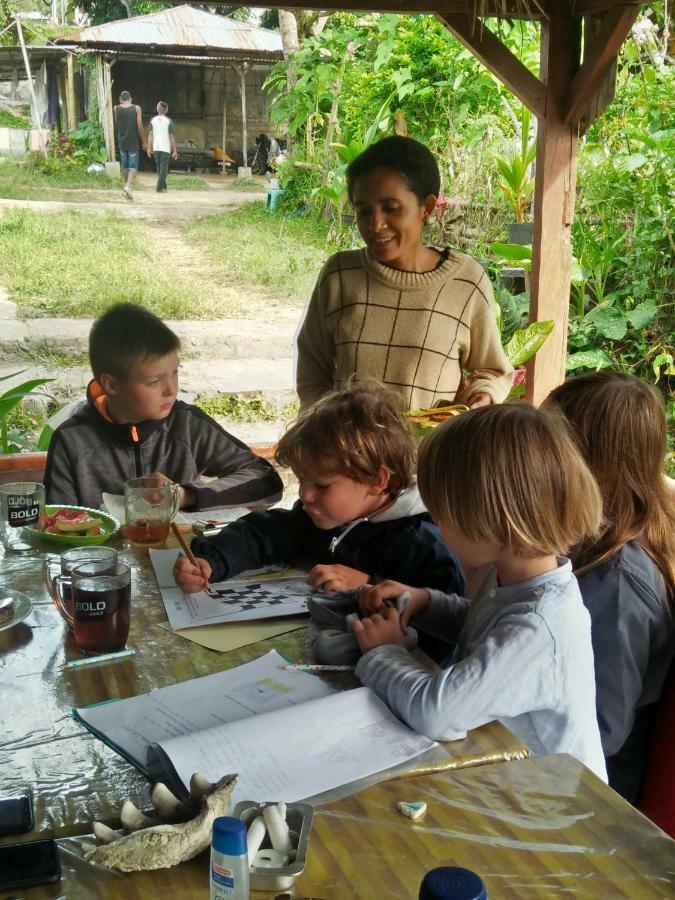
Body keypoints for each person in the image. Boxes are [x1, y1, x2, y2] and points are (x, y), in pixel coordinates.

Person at [351, 403, 607, 780]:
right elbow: (484, 624)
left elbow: (435, 713)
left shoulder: (541, 625)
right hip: (507, 773)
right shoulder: (511, 575)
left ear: (489, 520)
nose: (435, 523)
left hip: (553, 808)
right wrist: (425, 603)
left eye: (442, 512)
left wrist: (382, 652)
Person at [173, 386, 466, 606]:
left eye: (322, 485)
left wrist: (369, 586)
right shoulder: (324, 515)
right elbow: (270, 531)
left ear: (377, 481)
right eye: (302, 480)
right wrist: (211, 561)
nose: (305, 495)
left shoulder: (425, 546)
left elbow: (447, 622)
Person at [295, 136, 513, 413]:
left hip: (430, 454)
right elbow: (312, 369)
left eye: (391, 209)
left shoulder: (465, 282)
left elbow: (492, 370)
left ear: (428, 208)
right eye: (364, 211)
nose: (375, 224)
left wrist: (482, 396)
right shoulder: (340, 275)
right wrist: (323, 427)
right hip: (349, 453)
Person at [546, 372, 675, 802]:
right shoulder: (591, 544)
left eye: (546, 449)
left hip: (594, 796)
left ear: (589, 465)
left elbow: (598, 733)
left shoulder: (616, 581)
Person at [44, 303, 283, 511]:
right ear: (111, 385)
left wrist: (186, 495)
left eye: (175, 372)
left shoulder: (186, 425)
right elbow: (57, 525)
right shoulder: (72, 441)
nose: (171, 389)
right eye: (155, 381)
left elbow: (266, 481)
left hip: (183, 559)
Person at [114, 90, 146, 200]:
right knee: (133, 167)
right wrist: (144, 142)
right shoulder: (137, 108)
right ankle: (127, 186)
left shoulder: (116, 108)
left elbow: (117, 121)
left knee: (125, 166)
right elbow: (140, 126)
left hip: (122, 140)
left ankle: (127, 188)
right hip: (133, 141)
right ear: (131, 99)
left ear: (120, 100)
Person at [147, 101, 178, 193]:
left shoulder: (153, 120)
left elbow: (150, 135)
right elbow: (171, 136)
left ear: (157, 109)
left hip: (156, 148)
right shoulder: (169, 121)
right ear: (166, 110)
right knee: (163, 169)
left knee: (159, 168)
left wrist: (149, 148)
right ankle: (159, 187)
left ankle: (163, 185)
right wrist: (175, 150)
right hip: (165, 148)